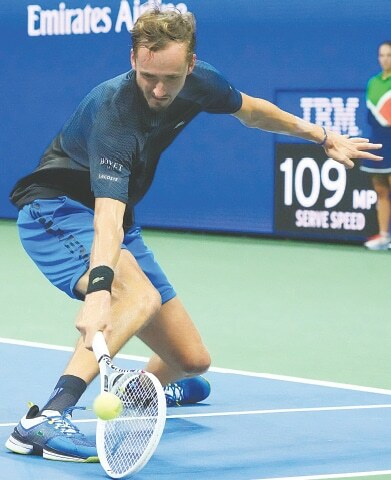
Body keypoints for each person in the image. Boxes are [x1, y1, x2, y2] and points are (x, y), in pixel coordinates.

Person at [6, 8, 382, 463]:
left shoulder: (202, 81)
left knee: (191, 361)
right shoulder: (114, 112)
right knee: (135, 298)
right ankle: (42, 421)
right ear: (132, 59)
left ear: (191, 64)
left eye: (170, 78)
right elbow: (106, 216)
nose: (159, 90)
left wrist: (320, 135)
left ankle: (142, 396)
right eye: (147, 77)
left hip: (115, 222)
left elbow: (253, 112)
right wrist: (100, 292)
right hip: (57, 211)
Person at [361, 41, 391, 250]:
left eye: (388, 55)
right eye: (381, 55)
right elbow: (371, 115)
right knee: (380, 189)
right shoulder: (373, 82)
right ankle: (383, 236)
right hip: (378, 140)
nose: (385, 59)